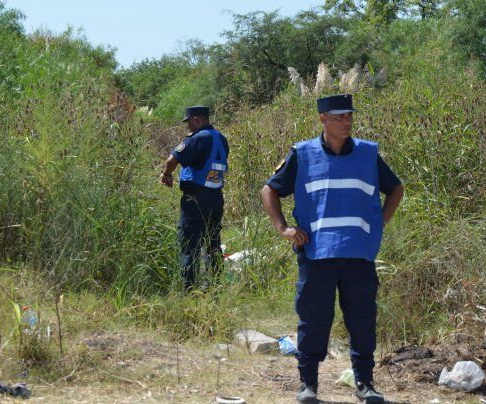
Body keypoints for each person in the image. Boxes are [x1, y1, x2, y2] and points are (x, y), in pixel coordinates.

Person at [261, 94, 404, 403]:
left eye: (349, 116)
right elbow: (270, 189)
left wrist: (379, 222)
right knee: (313, 320)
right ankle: (308, 385)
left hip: (358, 253)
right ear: (323, 119)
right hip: (317, 254)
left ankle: (365, 384)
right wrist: (283, 228)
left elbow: (396, 188)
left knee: (362, 321)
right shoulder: (302, 153)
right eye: (339, 117)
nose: (346, 122)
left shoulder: (367, 153)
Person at [160, 105, 230, 290]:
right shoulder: (222, 139)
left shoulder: (197, 139)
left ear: (198, 119)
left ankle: (188, 290)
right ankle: (214, 286)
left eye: (189, 122)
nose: (188, 126)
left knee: (189, 245)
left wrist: (166, 175)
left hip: (195, 200)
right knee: (212, 243)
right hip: (216, 199)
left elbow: (171, 161)